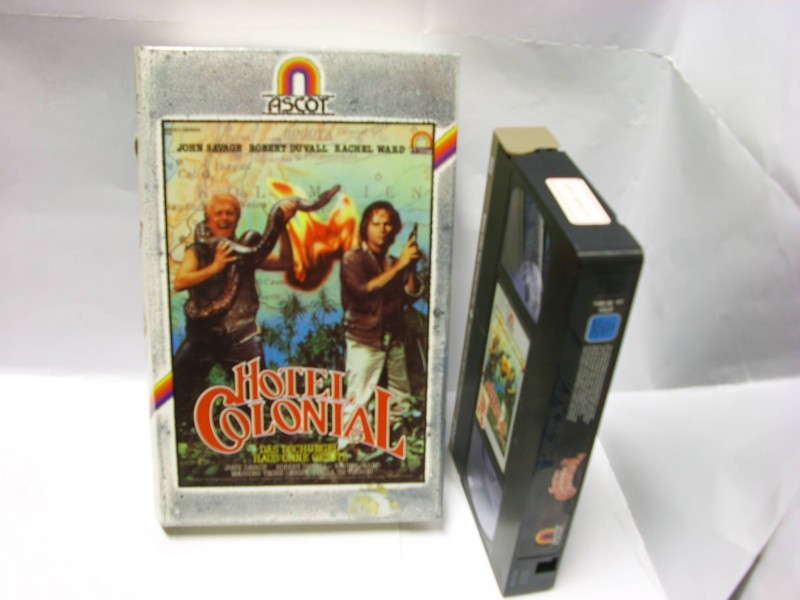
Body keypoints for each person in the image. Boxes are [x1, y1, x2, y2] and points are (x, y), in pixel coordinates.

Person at [172, 193, 297, 432]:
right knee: (177, 390)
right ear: (208, 219)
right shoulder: (196, 251)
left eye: (229, 213)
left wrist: (281, 226)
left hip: (241, 336)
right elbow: (180, 281)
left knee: (258, 397)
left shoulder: (247, 251)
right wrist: (216, 266)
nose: (224, 218)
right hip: (203, 336)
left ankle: (263, 434)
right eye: (218, 213)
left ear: (237, 218)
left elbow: (285, 262)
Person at [339, 201, 423, 442]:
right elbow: (364, 290)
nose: (382, 229)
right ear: (365, 227)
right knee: (358, 400)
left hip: (393, 339)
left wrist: (411, 266)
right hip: (364, 339)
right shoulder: (352, 259)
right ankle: (350, 450)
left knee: (400, 399)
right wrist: (401, 265)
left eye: (387, 224)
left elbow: (412, 293)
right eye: (376, 224)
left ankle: (390, 442)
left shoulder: (395, 261)